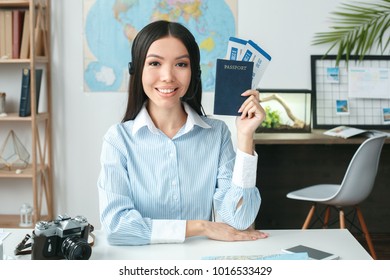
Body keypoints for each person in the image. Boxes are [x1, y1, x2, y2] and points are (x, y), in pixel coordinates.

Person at [97, 20, 268, 245]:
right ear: (137, 69)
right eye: (155, 63)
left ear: (193, 72)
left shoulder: (217, 134)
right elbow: (116, 227)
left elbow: (239, 221)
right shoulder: (118, 140)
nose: (168, 76)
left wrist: (246, 137)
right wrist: (201, 226)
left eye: (181, 64)